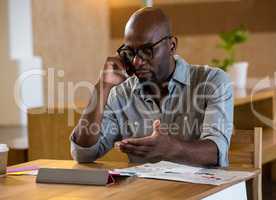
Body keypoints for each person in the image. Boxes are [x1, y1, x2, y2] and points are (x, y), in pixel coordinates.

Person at [70, 7, 233, 167]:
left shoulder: (212, 81)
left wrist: (170, 149)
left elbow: (216, 153)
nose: (136, 61)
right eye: (130, 52)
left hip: (204, 192)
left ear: (172, 45)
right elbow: (83, 153)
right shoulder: (120, 94)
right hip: (145, 192)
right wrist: (102, 87)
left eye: (146, 51)